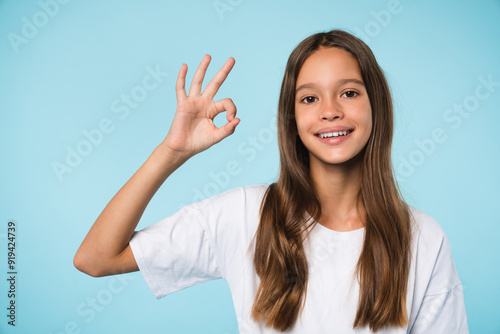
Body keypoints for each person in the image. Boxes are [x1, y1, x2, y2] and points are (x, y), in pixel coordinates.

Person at [73, 29, 469, 333]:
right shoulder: (244, 215)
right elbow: (96, 258)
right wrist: (171, 152)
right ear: (292, 120)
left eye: (349, 92)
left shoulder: (422, 238)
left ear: (375, 106)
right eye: (309, 99)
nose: (330, 111)